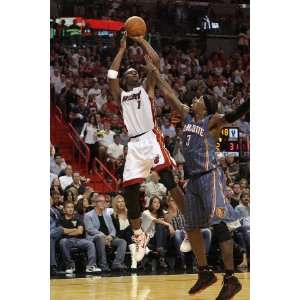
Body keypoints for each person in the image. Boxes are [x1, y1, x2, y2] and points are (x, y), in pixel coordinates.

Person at [145, 57, 249, 299]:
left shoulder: (212, 121)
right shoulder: (188, 116)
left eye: (200, 99)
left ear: (207, 105)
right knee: (191, 225)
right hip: (192, 180)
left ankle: (231, 278)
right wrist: (155, 74)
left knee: (219, 223)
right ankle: (204, 272)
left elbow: (233, 114)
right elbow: (170, 94)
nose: (195, 99)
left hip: (210, 177)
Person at [108, 33, 185, 261]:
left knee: (169, 180)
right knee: (129, 193)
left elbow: (156, 62)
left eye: (135, 72)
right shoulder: (120, 95)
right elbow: (111, 74)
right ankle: (140, 236)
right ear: (124, 81)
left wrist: (141, 40)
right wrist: (122, 50)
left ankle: (191, 221)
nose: (133, 73)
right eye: (129, 73)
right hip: (134, 145)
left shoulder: (146, 88)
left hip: (150, 138)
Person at [84, 194, 127, 271]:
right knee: (100, 238)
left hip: (108, 238)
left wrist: (111, 236)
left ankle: (116, 263)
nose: (103, 203)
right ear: (95, 203)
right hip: (95, 238)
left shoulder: (107, 215)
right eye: (100, 201)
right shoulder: (88, 215)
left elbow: (113, 229)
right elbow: (90, 229)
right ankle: (103, 265)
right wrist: (103, 236)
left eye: (104, 202)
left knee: (122, 242)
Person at [58, 201, 101, 274]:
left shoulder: (78, 219)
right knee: (63, 241)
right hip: (67, 240)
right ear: (64, 210)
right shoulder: (60, 220)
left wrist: (67, 231)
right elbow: (61, 231)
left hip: (79, 240)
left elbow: (80, 232)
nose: (70, 209)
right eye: (68, 207)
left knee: (90, 244)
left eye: (72, 207)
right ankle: (70, 266)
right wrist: (74, 229)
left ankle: (91, 266)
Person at [141, 196, 175, 269]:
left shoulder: (162, 212)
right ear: (150, 204)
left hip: (159, 239)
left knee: (162, 227)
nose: (157, 204)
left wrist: (171, 208)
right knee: (160, 224)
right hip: (148, 238)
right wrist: (168, 225)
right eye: (155, 202)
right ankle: (161, 253)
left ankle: (160, 252)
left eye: (159, 202)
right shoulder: (145, 212)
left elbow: (170, 217)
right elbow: (155, 220)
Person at [111, 194, 138, 271]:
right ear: (115, 204)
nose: (121, 203)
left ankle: (134, 259)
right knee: (128, 229)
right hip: (119, 237)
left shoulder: (129, 214)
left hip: (130, 238)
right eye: (119, 202)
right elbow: (114, 231)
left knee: (129, 231)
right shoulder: (113, 216)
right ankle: (135, 258)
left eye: (122, 201)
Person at [50, 191, 63, 276]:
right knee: (50, 240)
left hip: (57, 232)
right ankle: (53, 266)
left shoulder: (55, 210)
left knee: (60, 229)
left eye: (50, 199)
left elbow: (60, 222)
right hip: (52, 234)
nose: (50, 200)